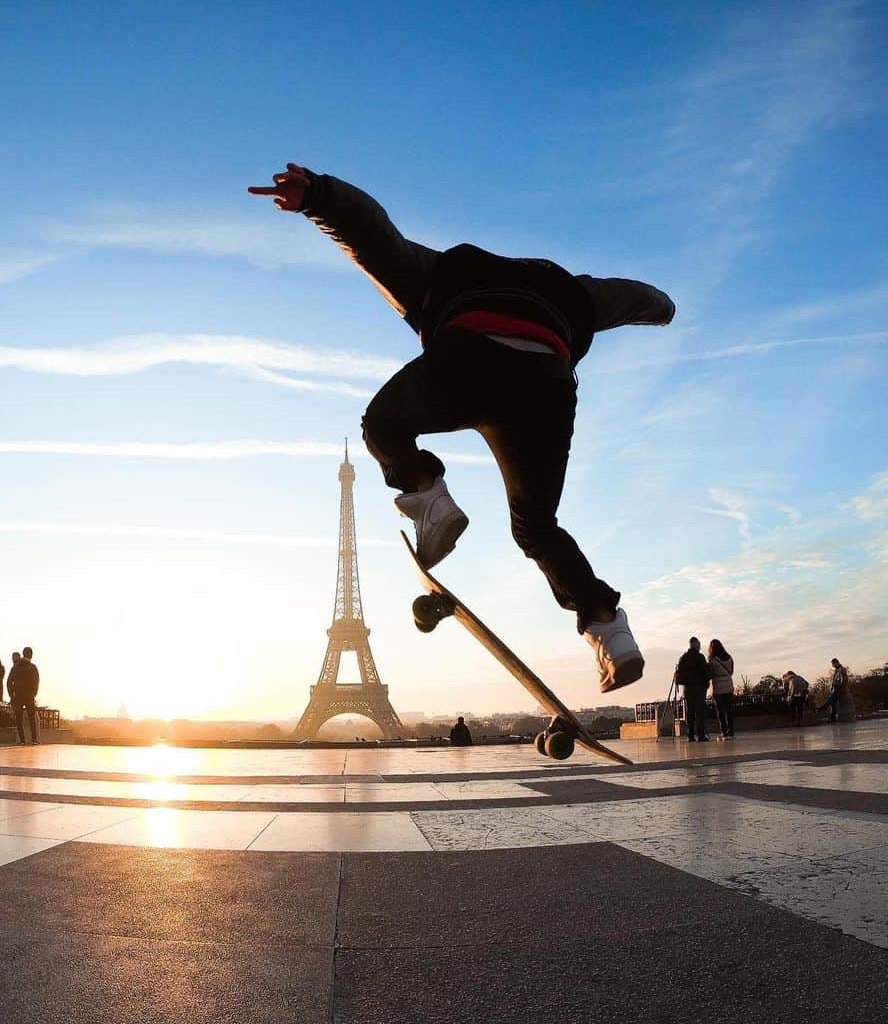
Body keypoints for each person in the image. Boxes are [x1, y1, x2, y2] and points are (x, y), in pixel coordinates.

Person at [249, 164, 676, 695]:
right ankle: (610, 630)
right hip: (546, 383)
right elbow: (632, 297)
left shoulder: (441, 273)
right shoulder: (573, 291)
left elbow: (374, 239)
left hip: (468, 361)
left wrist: (318, 197)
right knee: (537, 527)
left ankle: (429, 499)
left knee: (382, 424)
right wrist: (665, 311)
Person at [674, 637, 711, 742]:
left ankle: (690, 735)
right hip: (699, 688)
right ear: (695, 644)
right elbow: (706, 673)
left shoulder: (683, 658)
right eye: (698, 644)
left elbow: (680, 673)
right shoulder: (700, 657)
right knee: (700, 713)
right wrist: (706, 683)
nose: (699, 646)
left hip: (688, 688)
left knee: (690, 713)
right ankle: (701, 735)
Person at [10, 646, 41, 745]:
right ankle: (34, 739)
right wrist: (34, 693)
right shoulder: (33, 667)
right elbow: (37, 681)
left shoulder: (16, 667)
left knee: (19, 719)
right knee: (32, 718)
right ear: (31, 655)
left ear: (23, 654)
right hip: (29, 696)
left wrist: (12, 695)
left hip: (18, 696)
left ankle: (22, 740)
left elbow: (9, 681)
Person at [706, 639, 736, 739]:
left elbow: (710, 674)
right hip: (729, 686)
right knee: (729, 710)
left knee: (720, 712)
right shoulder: (729, 658)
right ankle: (731, 731)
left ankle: (724, 732)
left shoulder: (713, 660)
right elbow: (731, 672)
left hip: (718, 688)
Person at [818, 658, 849, 723]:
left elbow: (844, 680)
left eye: (833, 664)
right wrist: (832, 686)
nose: (833, 665)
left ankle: (820, 709)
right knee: (833, 703)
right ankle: (833, 719)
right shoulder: (837, 670)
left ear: (836, 663)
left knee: (830, 700)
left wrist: (840, 687)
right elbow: (835, 679)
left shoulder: (841, 670)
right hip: (836, 688)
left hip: (839, 689)